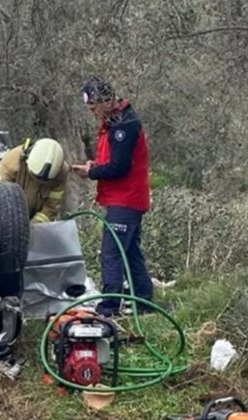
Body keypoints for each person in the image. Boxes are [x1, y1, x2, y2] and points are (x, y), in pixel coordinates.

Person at [72, 76, 154, 316]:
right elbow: (114, 160)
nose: (93, 112)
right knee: (130, 251)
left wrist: (92, 172)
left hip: (126, 200)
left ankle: (109, 306)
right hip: (126, 198)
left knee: (112, 252)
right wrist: (95, 164)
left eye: (93, 107)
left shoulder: (124, 126)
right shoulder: (115, 121)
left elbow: (120, 167)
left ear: (105, 102)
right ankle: (144, 300)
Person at [0, 137, 69, 223]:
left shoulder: (61, 173)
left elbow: (51, 207)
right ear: (28, 159)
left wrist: (34, 226)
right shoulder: (12, 162)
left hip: (34, 223)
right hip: (5, 220)